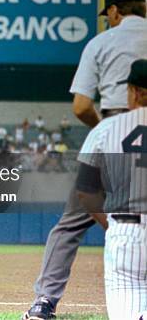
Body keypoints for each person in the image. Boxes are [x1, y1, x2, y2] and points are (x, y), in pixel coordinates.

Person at [23, 0, 147, 319]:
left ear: (115, 11)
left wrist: (106, 133)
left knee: (69, 225)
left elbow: (80, 106)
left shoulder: (101, 42)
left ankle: (44, 302)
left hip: (114, 133)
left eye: (107, 13)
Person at [75, 59, 147, 319]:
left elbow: (84, 190)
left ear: (135, 92)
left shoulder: (107, 128)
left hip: (126, 231)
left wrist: (111, 225)